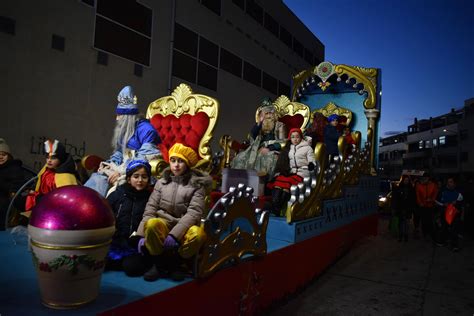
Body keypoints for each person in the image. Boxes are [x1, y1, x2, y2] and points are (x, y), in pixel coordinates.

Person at [135, 143, 212, 281]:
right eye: (173, 160)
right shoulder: (161, 182)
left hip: (183, 227)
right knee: (152, 224)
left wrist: (175, 235)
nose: (176, 165)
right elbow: (150, 208)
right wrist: (141, 235)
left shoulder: (197, 185)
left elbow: (194, 213)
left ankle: (176, 262)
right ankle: (158, 263)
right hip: (163, 224)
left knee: (198, 234)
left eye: (181, 161)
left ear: (187, 164)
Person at [85, 85, 161, 197]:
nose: (117, 118)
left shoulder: (146, 129)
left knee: (114, 185)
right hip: (124, 166)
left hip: (140, 170)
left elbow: (145, 158)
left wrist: (122, 172)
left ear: (128, 116)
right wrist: (111, 165)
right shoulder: (126, 130)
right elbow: (121, 153)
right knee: (99, 177)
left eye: (119, 115)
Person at [106, 160, 153, 276]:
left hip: (135, 245)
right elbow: (105, 215)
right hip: (115, 242)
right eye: (136, 176)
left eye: (144, 177)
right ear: (128, 179)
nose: (140, 180)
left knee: (133, 269)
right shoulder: (117, 195)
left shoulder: (151, 199)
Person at [231, 98, 287, 178]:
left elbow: (284, 142)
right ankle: (240, 179)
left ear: (273, 114)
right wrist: (259, 123)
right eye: (265, 113)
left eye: (269, 113)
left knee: (264, 158)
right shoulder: (260, 126)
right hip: (257, 148)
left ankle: (261, 182)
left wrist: (269, 148)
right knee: (240, 157)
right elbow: (252, 137)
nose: (268, 115)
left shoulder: (280, 125)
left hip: (272, 150)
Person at [267, 128, 315, 216]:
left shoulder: (307, 148)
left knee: (288, 183)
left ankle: (277, 208)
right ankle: (275, 206)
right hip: (291, 172)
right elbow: (284, 160)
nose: (295, 139)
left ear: (301, 137)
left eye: (297, 137)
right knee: (279, 181)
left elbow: (311, 159)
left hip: (302, 171)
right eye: (293, 137)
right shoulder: (289, 147)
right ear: (290, 138)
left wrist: (311, 164)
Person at [25, 140, 78, 212]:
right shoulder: (47, 169)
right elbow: (39, 180)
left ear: (61, 158)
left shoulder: (66, 176)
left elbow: (64, 200)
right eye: (47, 157)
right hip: (41, 205)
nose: (49, 161)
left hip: (54, 210)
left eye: (53, 158)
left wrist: (41, 198)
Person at [0, 139, 25, 230]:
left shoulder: (14, 169)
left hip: (6, 201)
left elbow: (16, 187)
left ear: (9, 156)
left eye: (4, 155)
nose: (1, 157)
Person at [435, 177, 464, 251]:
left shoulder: (458, 192)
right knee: (444, 228)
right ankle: (442, 242)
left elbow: (461, 203)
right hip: (444, 213)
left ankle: (454, 245)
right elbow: (436, 201)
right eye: (448, 182)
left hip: (455, 214)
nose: (449, 183)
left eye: (451, 182)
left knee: (454, 230)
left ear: (454, 183)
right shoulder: (442, 191)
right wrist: (443, 204)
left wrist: (456, 203)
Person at [392, 175, 416, 242]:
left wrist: (412, 208)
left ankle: (406, 235)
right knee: (400, 223)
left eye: (407, 180)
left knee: (407, 223)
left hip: (408, 209)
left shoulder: (411, 189)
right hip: (400, 208)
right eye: (405, 180)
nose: (406, 181)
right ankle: (400, 236)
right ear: (403, 180)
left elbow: (413, 199)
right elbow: (396, 199)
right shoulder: (399, 188)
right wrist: (394, 208)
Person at [415, 173, 438, 240]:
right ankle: (425, 234)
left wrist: (431, 200)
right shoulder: (419, 186)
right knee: (424, 221)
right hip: (423, 207)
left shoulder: (433, 185)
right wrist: (420, 203)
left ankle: (430, 233)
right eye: (424, 178)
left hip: (430, 206)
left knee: (430, 221)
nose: (425, 179)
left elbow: (435, 194)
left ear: (428, 178)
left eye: (426, 178)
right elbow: (418, 196)